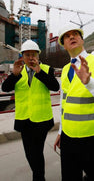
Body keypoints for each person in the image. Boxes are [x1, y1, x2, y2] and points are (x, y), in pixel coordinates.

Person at [54, 25, 94, 181]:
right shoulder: (66, 69)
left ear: (82, 40)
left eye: (75, 34)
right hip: (68, 138)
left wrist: (89, 82)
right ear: (64, 44)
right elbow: (64, 105)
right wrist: (61, 132)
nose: (72, 37)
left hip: (93, 138)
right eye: (67, 36)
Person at [2, 39, 60, 181]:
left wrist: (39, 72)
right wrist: (13, 75)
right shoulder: (18, 71)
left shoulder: (47, 69)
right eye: (27, 55)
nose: (30, 58)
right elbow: (5, 88)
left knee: (36, 151)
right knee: (29, 153)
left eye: (33, 54)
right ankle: (39, 176)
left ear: (38, 56)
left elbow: (55, 87)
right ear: (22, 56)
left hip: (42, 120)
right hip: (24, 120)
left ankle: (39, 178)